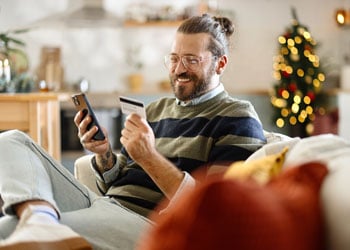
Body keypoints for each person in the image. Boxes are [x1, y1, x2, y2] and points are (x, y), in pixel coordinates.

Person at [0, 14, 266, 249]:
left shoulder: (237, 117)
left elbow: (214, 210)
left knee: (9, 230)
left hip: (146, 224)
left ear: (220, 64)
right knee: (11, 140)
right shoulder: (155, 109)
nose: (178, 69)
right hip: (104, 205)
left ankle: (41, 223)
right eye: (173, 58)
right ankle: (39, 219)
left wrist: (149, 157)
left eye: (191, 60)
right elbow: (118, 178)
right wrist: (104, 154)